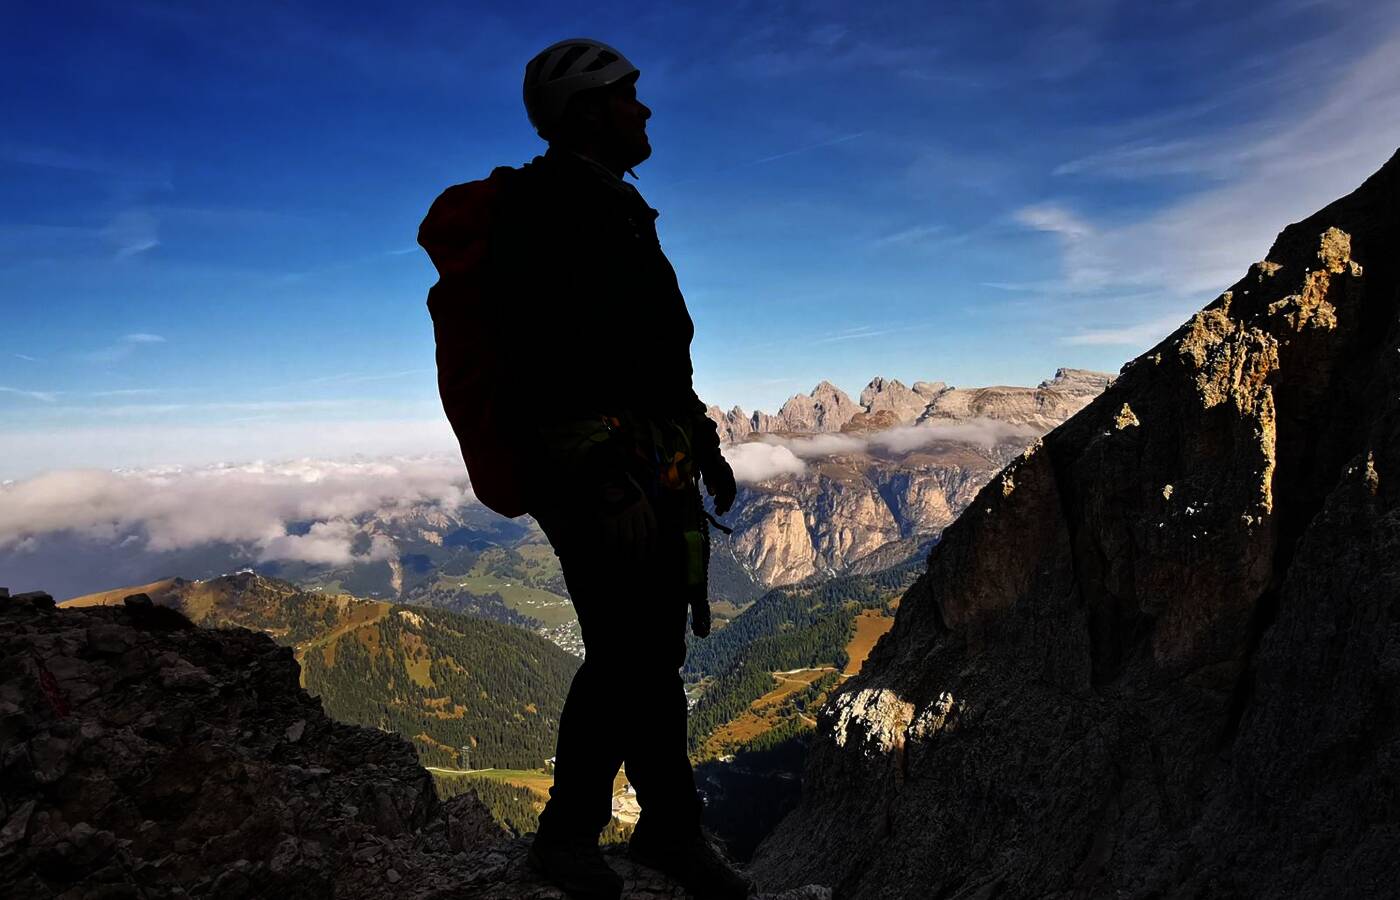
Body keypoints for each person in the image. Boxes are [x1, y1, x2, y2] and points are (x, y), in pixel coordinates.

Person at [419, 38, 749, 900]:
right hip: (601, 473)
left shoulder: (608, 205)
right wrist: (603, 476)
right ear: (585, 112)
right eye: (626, 97)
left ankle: (668, 831)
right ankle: (573, 836)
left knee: (646, 657)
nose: (644, 111)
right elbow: (541, 361)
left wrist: (702, 445)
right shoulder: (556, 211)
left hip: (637, 461)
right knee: (624, 656)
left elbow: (649, 360)